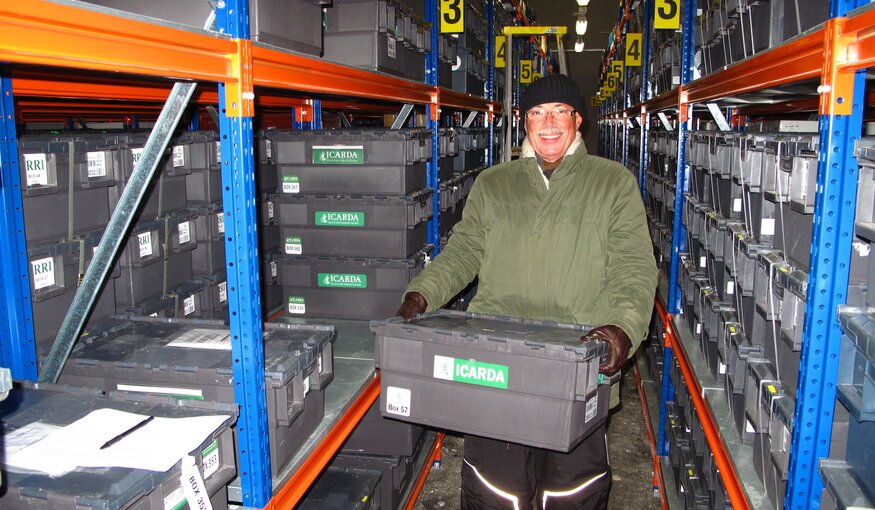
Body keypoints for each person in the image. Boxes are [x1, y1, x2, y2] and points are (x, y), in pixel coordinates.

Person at [396, 73, 657, 510]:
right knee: (495, 487)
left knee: (571, 489)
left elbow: (634, 264)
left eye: (559, 112)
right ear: (524, 123)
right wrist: (422, 293)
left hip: (578, 363)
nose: (549, 122)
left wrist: (624, 328)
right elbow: (464, 250)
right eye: (537, 112)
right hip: (499, 361)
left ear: (578, 121)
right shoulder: (495, 184)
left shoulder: (613, 183)